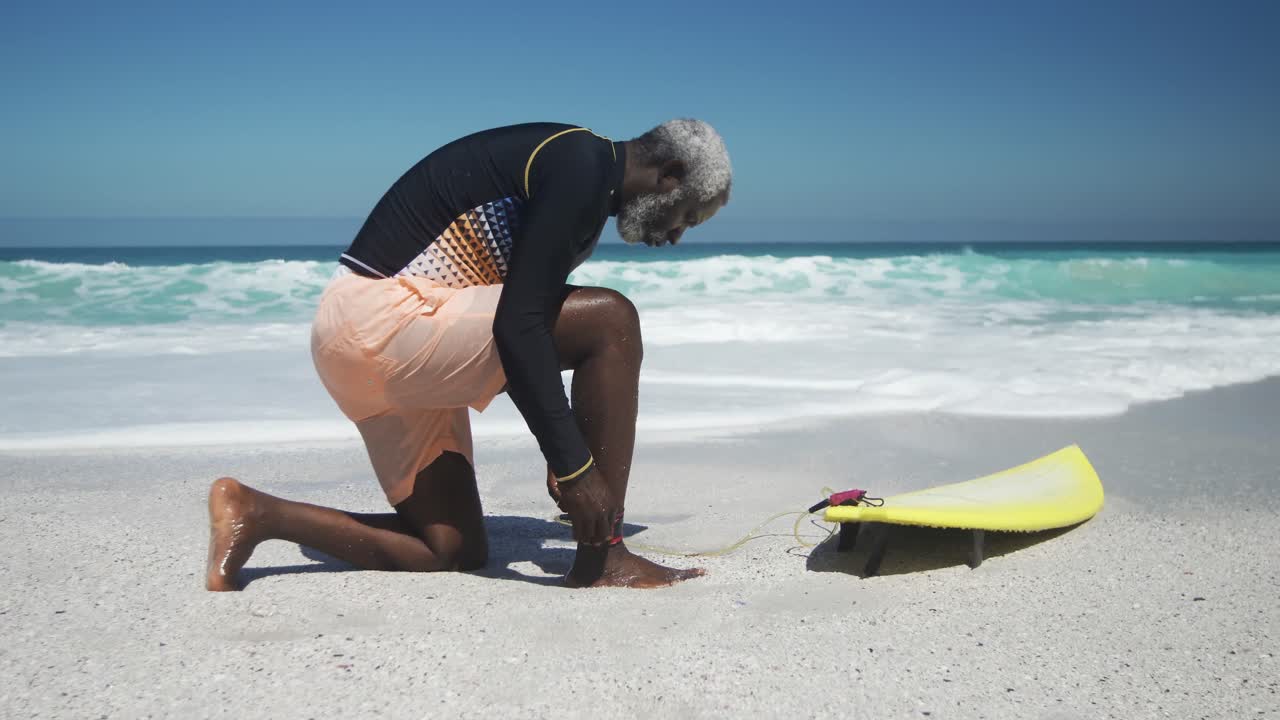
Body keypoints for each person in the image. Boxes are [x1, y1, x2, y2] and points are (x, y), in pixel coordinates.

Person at [205, 119, 732, 590]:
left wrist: (569, 444)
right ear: (670, 174)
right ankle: (604, 556)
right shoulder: (580, 162)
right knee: (612, 319)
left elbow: (527, 326)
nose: (677, 234)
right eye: (688, 214)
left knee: (451, 549)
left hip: (361, 345)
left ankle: (257, 514)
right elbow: (519, 326)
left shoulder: (579, 183)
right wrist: (574, 466)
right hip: (386, 321)